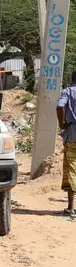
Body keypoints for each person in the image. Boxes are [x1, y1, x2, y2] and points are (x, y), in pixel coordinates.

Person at [57, 70, 76, 215]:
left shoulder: (68, 91)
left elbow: (59, 106)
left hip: (72, 136)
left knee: (71, 170)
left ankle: (71, 207)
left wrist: (62, 123)